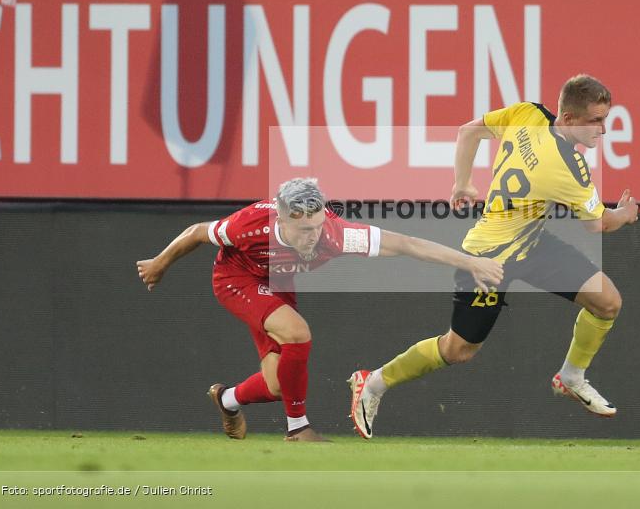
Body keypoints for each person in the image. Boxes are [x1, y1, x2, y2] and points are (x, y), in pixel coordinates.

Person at [347, 74, 639, 439]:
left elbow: (469, 131)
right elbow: (599, 225)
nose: (602, 131)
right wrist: (625, 213)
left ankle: (571, 377)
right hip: (489, 258)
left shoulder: (528, 113)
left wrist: (461, 182)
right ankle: (372, 383)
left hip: (532, 242)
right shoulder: (567, 166)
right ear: (566, 118)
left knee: (607, 302)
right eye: (595, 121)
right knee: (458, 349)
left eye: (604, 119)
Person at [136, 178, 503, 442]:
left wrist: (470, 262)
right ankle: (298, 430)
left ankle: (227, 399)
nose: (312, 236)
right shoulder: (249, 225)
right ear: (281, 220)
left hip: (277, 284)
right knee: (298, 333)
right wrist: (160, 263)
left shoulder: (334, 233)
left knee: (280, 383)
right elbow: (199, 231)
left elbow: (405, 243)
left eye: (316, 225)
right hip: (236, 280)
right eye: (303, 229)